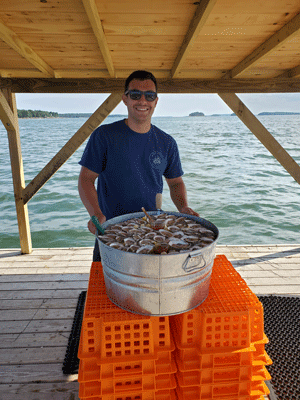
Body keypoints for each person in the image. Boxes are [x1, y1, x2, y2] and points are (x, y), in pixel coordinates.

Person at [78, 70, 199, 261]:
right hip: (111, 230)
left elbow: (175, 182)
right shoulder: (103, 136)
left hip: (151, 231)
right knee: (103, 284)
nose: (143, 101)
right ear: (125, 99)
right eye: (135, 95)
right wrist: (96, 214)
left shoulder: (167, 142)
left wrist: (183, 207)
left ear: (156, 101)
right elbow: (86, 179)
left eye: (149, 95)